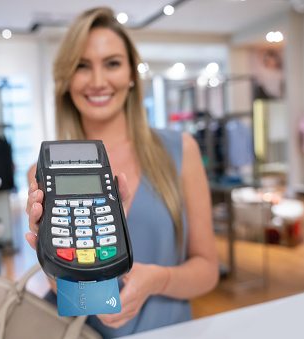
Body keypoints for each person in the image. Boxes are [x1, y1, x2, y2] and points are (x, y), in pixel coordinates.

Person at [25, 7, 218, 338]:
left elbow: (207, 270)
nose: (98, 81)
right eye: (82, 66)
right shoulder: (41, 174)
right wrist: (52, 263)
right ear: (66, 79)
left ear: (131, 74)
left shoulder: (181, 149)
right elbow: (67, 294)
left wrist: (157, 279)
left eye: (112, 63)